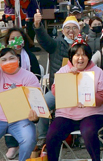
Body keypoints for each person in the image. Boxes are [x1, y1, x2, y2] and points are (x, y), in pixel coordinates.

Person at [44, 38, 103, 161]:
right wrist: (69, 76)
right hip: (67, 113)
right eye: (76, 55)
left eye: (83, 55)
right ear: (71, 57)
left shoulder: (96, 71)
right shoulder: (64, 70)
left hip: (93, 113)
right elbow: (55, 91)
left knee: (88, 131)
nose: (80, 58)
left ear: (88, 57)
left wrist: (90, 100)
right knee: (52, 134)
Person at [33, 12, 80, 142]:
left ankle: (82, 136)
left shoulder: (83, 44)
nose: (71, 31)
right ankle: (42, 137)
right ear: (63, 30)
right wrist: (38, 26)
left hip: (80, 88)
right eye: (68, 28)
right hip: (58, 89)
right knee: (42, 105)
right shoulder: (56, 44)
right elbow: (43, 39)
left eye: (74, 28)